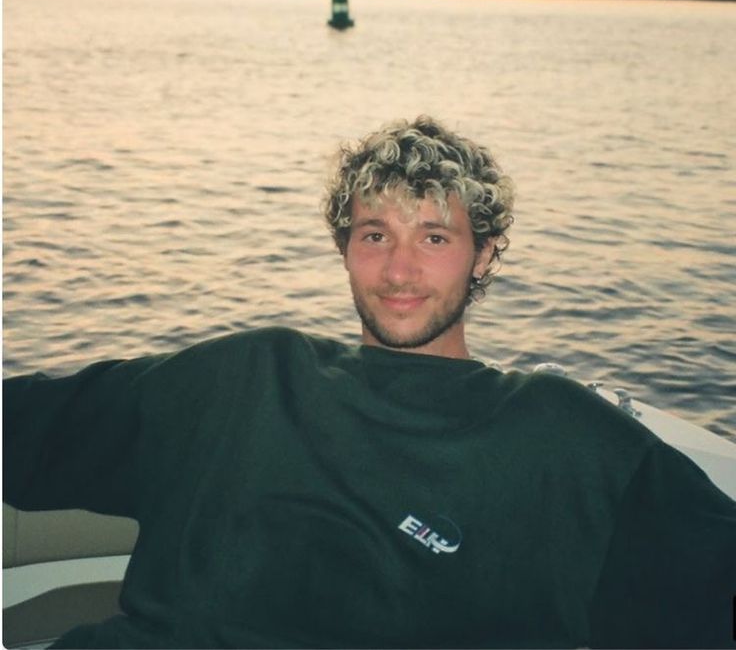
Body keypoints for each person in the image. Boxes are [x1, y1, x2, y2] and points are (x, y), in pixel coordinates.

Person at [4, 116, 735, 649]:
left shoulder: (564, 436)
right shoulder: (246, 375)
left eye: (435, 238)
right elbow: (26, 428)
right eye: (375, 234)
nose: (399, 270)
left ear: (484, 256)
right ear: (346, 248)